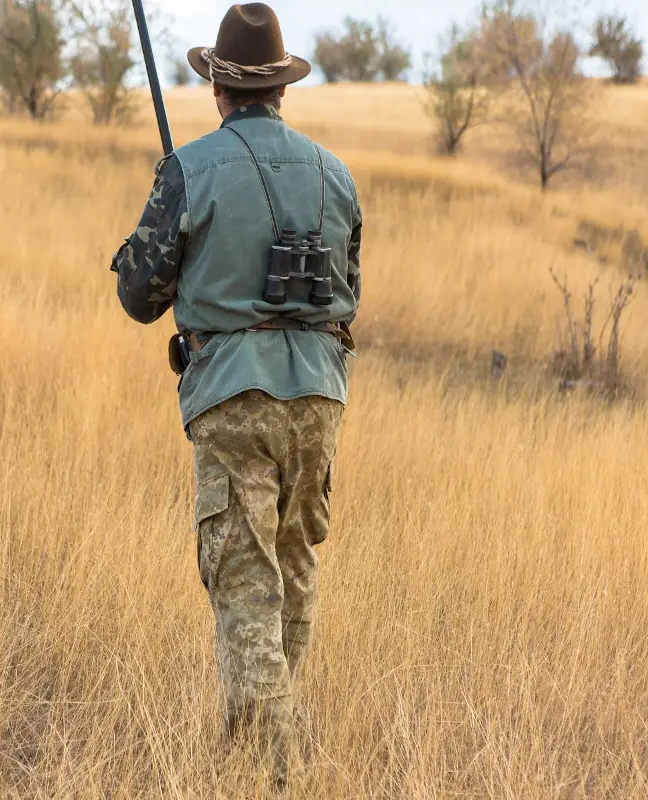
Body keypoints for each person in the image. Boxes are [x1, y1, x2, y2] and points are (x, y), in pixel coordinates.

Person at [109, 2, 363, 789]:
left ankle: (266, 773)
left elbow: (138, 295)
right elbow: (348, 296)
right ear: (280, 89)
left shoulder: (190, 167)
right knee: (292, 569)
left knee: (246, 585)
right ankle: (273, 742)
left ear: (219, 87)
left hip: (232, 399)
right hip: (321, 397)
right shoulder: (337, 175)